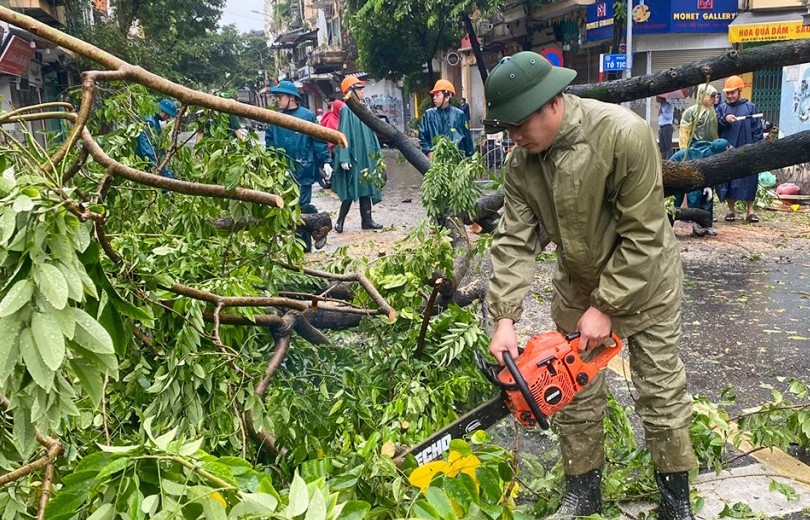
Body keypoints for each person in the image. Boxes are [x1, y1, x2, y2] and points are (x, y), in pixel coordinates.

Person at [483, 52, 697, 520]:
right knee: (570, 393)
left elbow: (645, 233)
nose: (514, 137)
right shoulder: (522, 164)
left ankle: (676, 502)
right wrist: (504, 319)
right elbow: (515, 241)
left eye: (518, 124)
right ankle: (583, 493)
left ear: (550, 103)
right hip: (577, 285)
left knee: (660, 392)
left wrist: (607, 305)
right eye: (507, 128)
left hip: (647, 286)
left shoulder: (623, 134)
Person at [265, 80, 332, 251]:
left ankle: (305, 244)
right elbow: (269, 145)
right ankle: (311, 232)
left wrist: (326, 161)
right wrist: (269, 165)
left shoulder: (307, 116)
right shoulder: (274, 119)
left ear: (291, 97)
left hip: (304, 169)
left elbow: (318, 140)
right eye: (276, 97)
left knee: (302, 206)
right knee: (289, 207)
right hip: (282, 171)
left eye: (279, 97)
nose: (277, 100)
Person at [332, 77, 384, 232]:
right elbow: (344, 133)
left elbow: (371, 133)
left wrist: (376, 154)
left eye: (362, 89)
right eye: (359, 89)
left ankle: (367, 221)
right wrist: (344, 157)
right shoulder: (347, 110)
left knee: (366, 188)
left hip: (366, 156)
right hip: (354, 156)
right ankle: (340, 221)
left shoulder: (364, 108)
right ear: (351, 91)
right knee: (350, 189)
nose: (362, 91)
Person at [715, 75, 764, 223]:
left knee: (749, 178)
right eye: (727, 93)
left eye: (733, 92)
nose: (730, 96)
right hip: (728, 149)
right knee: (729, 179)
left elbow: (757, 129)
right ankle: (731, 210)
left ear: (739, 91)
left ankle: (750, 211)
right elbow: (716, 126)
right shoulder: (722, 108)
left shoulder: (750, 107)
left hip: (747, 147)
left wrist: (757, 147)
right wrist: (725, 119)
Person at [671, 139, 731, 237]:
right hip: (677, 169)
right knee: (677, 199)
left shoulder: (715, 158)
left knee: (707, 197)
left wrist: (708, 186)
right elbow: (693, 194)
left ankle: (705, 226)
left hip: (693, 174)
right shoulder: (700, 158)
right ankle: (667, 228)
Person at [418, 79, 474, 158]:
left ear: (447, 97)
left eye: (437, 95)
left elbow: (467, 141)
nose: (434, 98)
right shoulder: (428, 115)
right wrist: (428, 151)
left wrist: (470, 161)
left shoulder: (459, 115)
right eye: (434, 95)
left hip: (456, 162)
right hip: (435, 162)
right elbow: (422, 137)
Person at [135, 98, 177, 179]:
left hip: (151, 163)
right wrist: (157, 168)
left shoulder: (156, 122)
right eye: (168, 115)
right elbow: (147, 150)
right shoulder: (149, 123)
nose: (168, 118)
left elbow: (160, 149)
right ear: (163, 111)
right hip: (143, 164)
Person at [678, 84, 718, 150]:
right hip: (695, 150)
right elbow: (684, 132)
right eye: (711, 96)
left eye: (714, 96)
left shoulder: (713, 111)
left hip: (712, 149)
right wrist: (684, 150)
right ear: (701, 95)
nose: (713, 99)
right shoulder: (691, 112)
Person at [657, 96, 674, 160]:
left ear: (661, 98)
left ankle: (671, 160)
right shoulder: (661, 106)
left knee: (668, 146)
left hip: (667, 126)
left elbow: (669, 117)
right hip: (661, 127)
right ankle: (663, 161)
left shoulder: (668, 106)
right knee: (662, 147)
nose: (656, 99)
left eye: (657, 97)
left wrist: (662, 113)